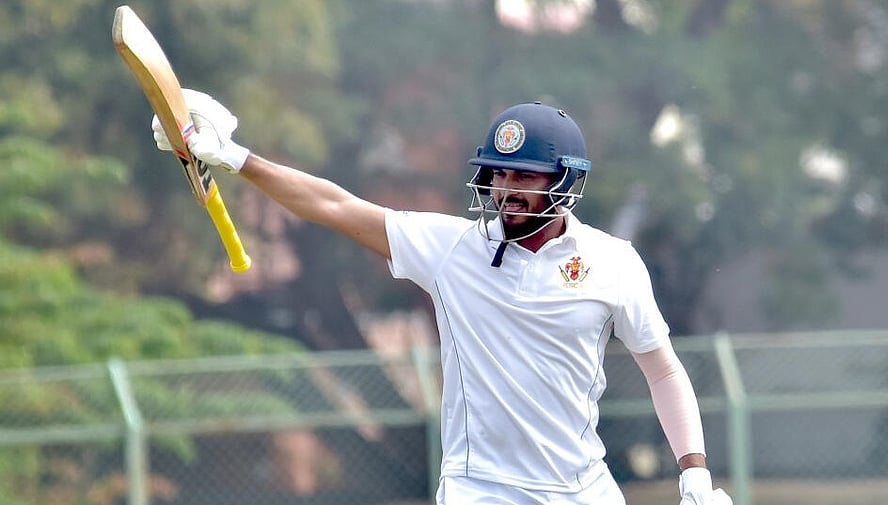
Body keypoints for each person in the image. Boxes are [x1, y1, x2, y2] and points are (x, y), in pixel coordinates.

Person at [152, 90, 733, 505]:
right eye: (497, 175)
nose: (505, 191)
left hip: (583, 486)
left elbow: (663, 372)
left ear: (566, 180)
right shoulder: (452, 248)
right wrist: (237, 158)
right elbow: (334, 205)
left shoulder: (614, 263)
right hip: (480, 488)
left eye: (524, 177)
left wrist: (694, 472)